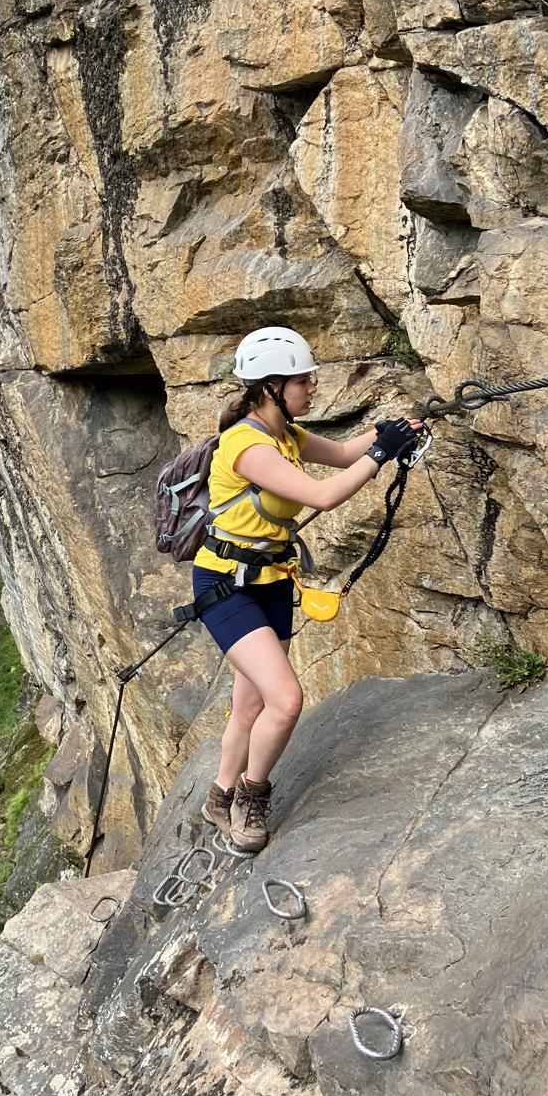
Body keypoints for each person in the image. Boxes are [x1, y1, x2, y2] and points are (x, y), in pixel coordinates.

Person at [195, 326, 425, 853]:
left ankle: (219, 795)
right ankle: (252, 796)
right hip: (226, 584)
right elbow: (322, 497)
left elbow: (345, 454)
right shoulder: (246, 446)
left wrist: (393, 432)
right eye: (304, 381)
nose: (312, 388)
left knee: (250, 704)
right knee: (286, 699)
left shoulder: (287, 436)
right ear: (272, 386)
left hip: (271, 579)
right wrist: (383, 452)